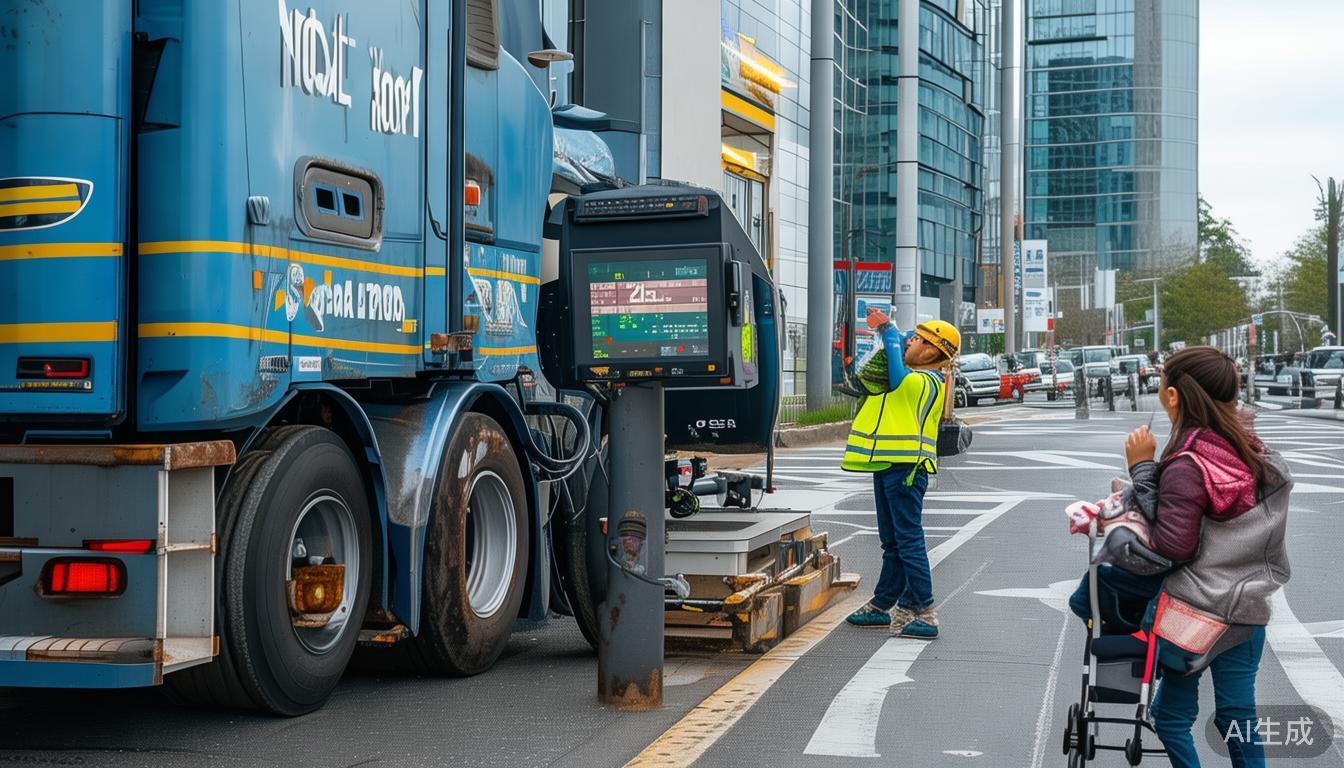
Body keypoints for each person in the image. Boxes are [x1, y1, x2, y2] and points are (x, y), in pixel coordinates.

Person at [1075, 346, 1291, 767]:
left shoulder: (1189, 461)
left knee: (1171, 718)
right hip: (1248, 607)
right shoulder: (1253, 451)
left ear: (1173, 396)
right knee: (1237, 716)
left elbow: (1174, 545)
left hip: (1194, 614)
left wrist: (1141, 470)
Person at [841, 310, 960, 638]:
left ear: (932, 351)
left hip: (906, 470)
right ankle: (884, 604)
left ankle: (926, 611)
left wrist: (892, 336)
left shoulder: (926, 382)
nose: (911, 342)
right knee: (892, 542)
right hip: (887, 465)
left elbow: (897, 379)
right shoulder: (912, 377)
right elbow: (875, 379)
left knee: (908, 540)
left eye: (918, 339)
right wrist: (883, 338)